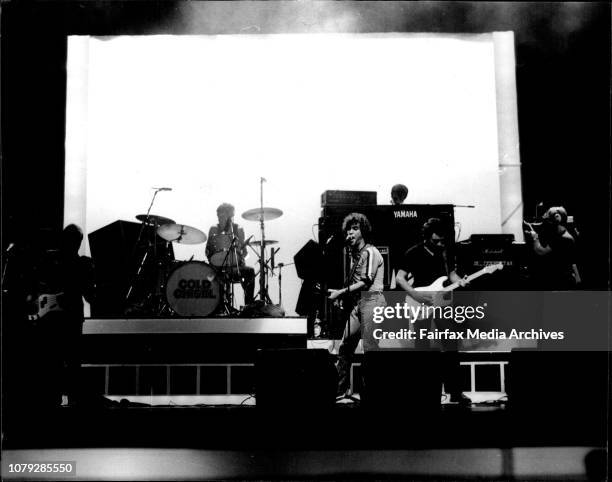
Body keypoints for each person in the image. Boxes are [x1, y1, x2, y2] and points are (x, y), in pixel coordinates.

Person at [395, 217, 469, 404]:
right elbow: (400, 278)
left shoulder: (446, 252)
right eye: (436, 240)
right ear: (427, 237)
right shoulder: (413, 252)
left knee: (451, 344)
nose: (440, 243)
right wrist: (415, 295)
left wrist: (460, 281)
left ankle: (455, 391)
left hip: (441, 302)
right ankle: (425, 392)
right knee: (422, 347)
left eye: (442, 240)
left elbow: (451, 275)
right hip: (420, 301)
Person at [329, 212, 385, 398]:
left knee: (371, 349)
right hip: (360, 304)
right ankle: (339, 389)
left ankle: (371, 393)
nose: (350, 234)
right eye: (348, 230)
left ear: (364, 231)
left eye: (355, 229)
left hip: (372, 302)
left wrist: (341, 292)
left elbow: (366, 281)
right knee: (346, 346)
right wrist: (341, 294)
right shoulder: (357, 255)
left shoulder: (370, 252)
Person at [206, 203, 255, 305]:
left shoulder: (238, 229)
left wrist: (239, 256)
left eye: (222, 216)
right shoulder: (214, 229)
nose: (219, 218)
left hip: (234, 266)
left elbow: (245, 253)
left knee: (250, 271)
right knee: (207, 275)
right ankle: (216, 306)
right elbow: (207, 251)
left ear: (230, 215)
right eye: (218, 216)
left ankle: (249, 305)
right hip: (217, 267)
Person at [524, 206, 581, 289]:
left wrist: (535, 237)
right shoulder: (564, 233)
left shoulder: (561, 238)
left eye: (548, 221)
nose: (546, 224)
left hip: (559, 280)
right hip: (564, 277)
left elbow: (541, 251)